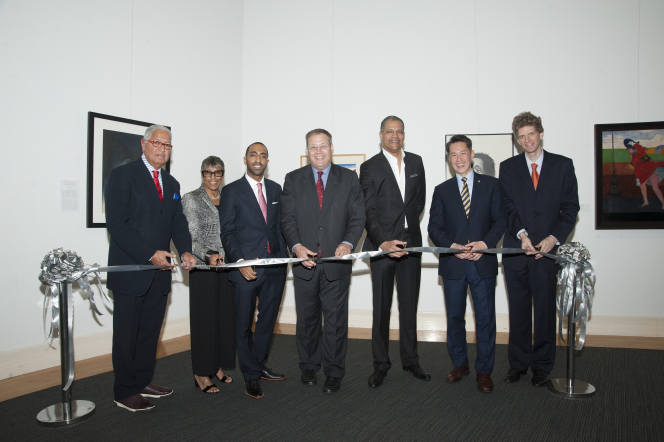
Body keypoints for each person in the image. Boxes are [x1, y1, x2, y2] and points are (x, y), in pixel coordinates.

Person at [105, 124, 197, 412]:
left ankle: (142, 381)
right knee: (126, 335)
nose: (162, 149)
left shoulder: (171, 183)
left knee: (149, 333)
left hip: (159, 275)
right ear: (143, 144)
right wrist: (148, 254)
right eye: (157, 143)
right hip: (131, 272)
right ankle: (124, 390)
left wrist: (185, 250)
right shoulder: (122, 175)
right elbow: (117, 226)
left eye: (167, 145)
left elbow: (177, 223)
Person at [280, 129, 366, 393]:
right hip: (304, 262)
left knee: (336, 321)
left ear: (331, 147)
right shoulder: (293, 179)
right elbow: (287, 219)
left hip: (336, 263)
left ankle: (334, 371)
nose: (318, 152)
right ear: (307, 150)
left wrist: (348, 243)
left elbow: (357, 218)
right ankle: (308, 365)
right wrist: (296, 247)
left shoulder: (349, 178)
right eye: (313, 147)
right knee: (307, 320)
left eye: (323, 146)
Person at [499, 112, 579, 387]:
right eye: (521, 136)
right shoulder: (508, 168)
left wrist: (553, 238)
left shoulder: (563, 166)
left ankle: (542, 366)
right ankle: (518, 364)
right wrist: (521, 235)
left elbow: (570, 209)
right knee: (518, 311)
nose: (526, 140)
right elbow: (507, 208)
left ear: (541, 134)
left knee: (544, 311)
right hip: (517, 252)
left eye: (531, 134)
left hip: (547, 253)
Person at [428, 135, 505, 393]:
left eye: (463, 153)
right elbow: (434, 228)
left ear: (471, 154)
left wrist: (485, 245)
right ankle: (460, 363)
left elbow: (500, 222)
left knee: (485, 319)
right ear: (448, 159)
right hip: (454, 264)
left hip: (482, 263)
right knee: (454, 317)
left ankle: (484, 370)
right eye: (453, 155)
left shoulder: (493, 186)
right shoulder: (442, 190)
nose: (458, 159)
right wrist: (452, 247)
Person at [359, 116, 429, 388]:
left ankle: (411, 360)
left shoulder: (416, 162)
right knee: (382, 308)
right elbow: (368, 210)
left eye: (399, 131)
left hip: (411, 244)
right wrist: (383, 242)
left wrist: (407, 228)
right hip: (382, 247)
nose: (395, 136)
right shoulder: (369, 167)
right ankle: (381, 365)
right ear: (381, 134)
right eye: (390, 131)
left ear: (404, 134)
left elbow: (418, 200)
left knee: (409, 306)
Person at [219, 143, 288, 399]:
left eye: (262, 155)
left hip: (275, 267)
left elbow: (279, 227)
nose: (257, 159)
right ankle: (250, 376)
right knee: (244, 324)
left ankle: (257, 366)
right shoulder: (231, 191)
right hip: (245, 269)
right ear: (245, 159)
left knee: (267, 322)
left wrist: (286, 257)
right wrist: (240, 262)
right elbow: (227, 232)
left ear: (267, 160)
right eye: (253, 155)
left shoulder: (275, 189)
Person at [182, 156, 236, 394]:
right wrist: (208, 255)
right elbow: (191, 237)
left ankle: (216, 367)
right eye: (208, 173)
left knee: (223, 320)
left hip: (226, 267)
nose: (213, 178)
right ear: (201, 174)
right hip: (204, 268)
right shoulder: (191, 199)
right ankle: (201, 373)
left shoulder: (228, 197)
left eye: (217, 173)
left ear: (223, 174)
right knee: (204, 322)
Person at [624, 138, 664, 209]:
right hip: (645, 172)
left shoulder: (640, 152)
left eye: (631, 149)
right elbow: (636, 169)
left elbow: (640, 148)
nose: (629, 150)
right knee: (642, 185)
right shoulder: (633, 158)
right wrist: (637, 179)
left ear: (634, 148)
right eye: (628, 149)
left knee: (655, 188)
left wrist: (634, 143)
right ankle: (646, 202)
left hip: (652, 169)